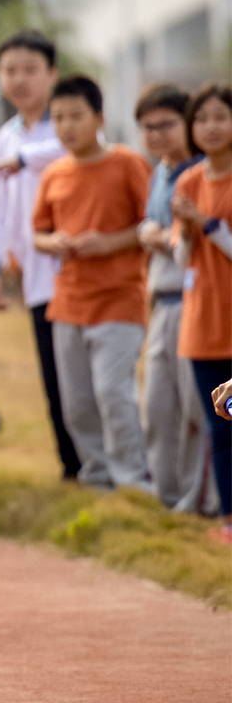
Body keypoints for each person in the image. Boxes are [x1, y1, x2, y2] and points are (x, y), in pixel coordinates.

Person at [32, 76, 154, 493]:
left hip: (119, 298)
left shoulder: (127, 164)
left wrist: (109, 244)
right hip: (68, 303)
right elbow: (38, 233)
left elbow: (152, 225)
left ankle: (132, 480)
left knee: (113, 393)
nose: (66, 126)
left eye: (76, 116)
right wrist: (54, 243)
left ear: (99, 118)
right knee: (78, 402)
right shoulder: (53, 174)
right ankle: (97, 477)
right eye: (58, 118)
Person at [0, 30, 79, 481]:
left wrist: (23, 158)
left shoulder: (68, 126)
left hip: (78, 270)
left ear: (51, 74)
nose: (19, 80)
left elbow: (78, 149)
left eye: (30, 70)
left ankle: (107, 469)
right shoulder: (5, 137)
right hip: (37, 277)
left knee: (87, 380)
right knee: (54, 377)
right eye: (9, 70)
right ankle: (71, 467)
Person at [133, 84, 211, 514]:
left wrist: (159, 237)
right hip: (161, 298)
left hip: (194, 297)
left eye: (167, 124)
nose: (157, 134)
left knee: (195, 409)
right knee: (157, 406)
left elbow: (190, 240)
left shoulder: (202, 173)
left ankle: (199, 499)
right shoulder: (158, 173)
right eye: (148, 127)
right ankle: (167, 497)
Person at [180, 84, 232, 543]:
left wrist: (205, 223)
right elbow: (181, 259)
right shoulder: (188, 181)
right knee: (220, 424)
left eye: (220, 116)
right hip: (202, 320)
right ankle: (228, 517)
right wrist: (179, 231)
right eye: (200, 118)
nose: (210, 127)